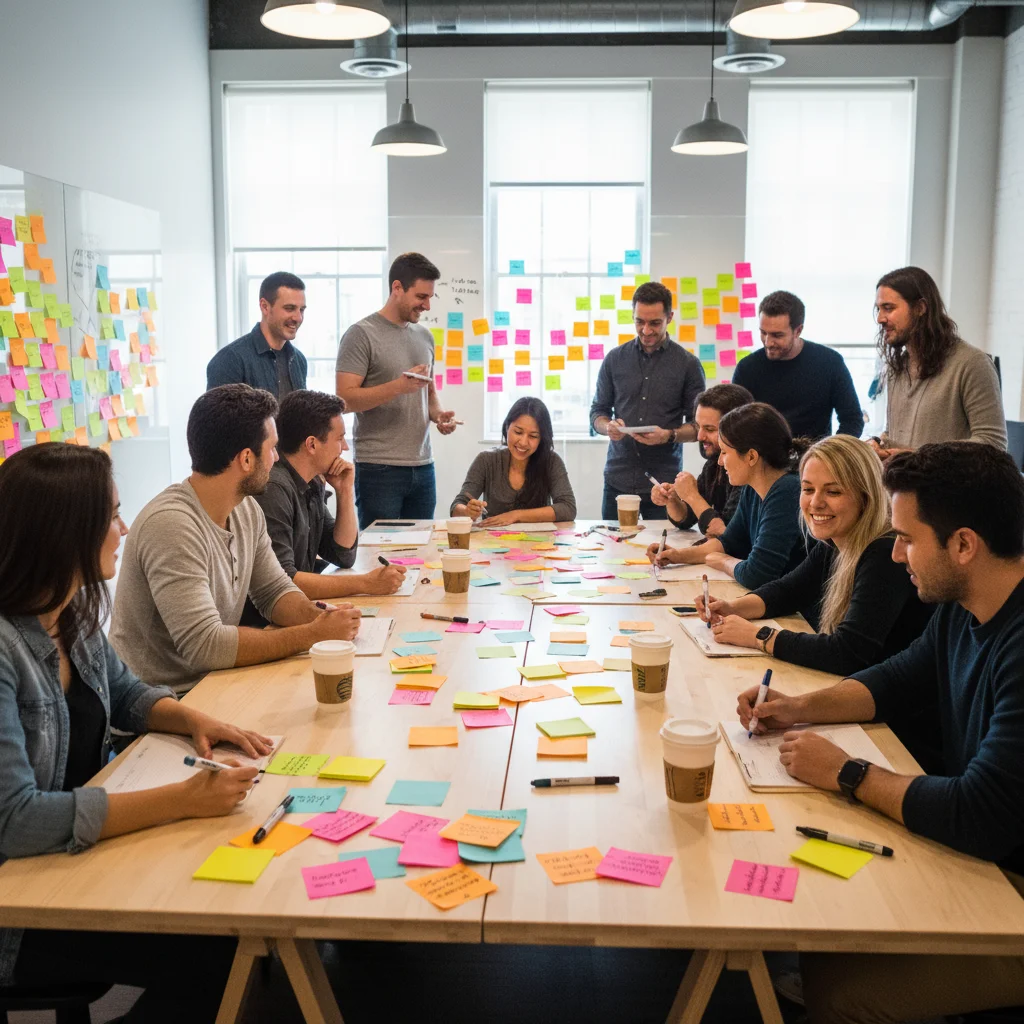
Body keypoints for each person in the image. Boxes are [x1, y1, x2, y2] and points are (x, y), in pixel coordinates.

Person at [735, 442, 1024, 1024]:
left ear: (964, 544)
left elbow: (980, 813)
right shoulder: (963, 606)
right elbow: (892, 680)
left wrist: (845, 771)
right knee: (819, 937)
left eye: (907, 538)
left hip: (1008, 891)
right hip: (987, 856)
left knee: (843, 993)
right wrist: (796, 709)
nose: (895, 555)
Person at [0, 442, 270, 1021]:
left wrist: (195, 717)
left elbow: (125, 692)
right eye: (112, 516)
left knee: (236, 921)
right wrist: (182, 800)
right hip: (24, 911)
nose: (124, 529)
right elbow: (16, 820)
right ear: (63, 533)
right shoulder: (4, 649)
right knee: (220, 944)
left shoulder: (69, 611)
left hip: (79, 861)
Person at [110, 384, 362, 695]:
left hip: (216, 683)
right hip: (166, 704)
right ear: (246, 459)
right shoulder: (172, 525)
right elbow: (206, 645)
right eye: (272, 449)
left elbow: (274, 591)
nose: (276, 459)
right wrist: (311, 634)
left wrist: (322, 619)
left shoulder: (246, 510)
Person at [697, 434, 932, 675]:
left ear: (865, 496)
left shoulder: (884, 553)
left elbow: (846, 652)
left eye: (833, 492)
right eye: (808, 489)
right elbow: (788, 592)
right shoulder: (835, 541)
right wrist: (730, 608)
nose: (815, 503)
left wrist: (759, 636)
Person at [244, 389, 407, 626]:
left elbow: (343, 554)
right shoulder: (274, 488)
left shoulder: (312, 482)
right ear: (311, 444)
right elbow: (284, 581)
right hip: (267, 627)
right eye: (339, 438)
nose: (344, 448)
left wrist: (344, 491)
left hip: (296, 617)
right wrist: (366, 583)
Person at [336, 252, 458, 528]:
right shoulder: (361, 334)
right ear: (397, 288)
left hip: (423, 465)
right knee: (379, 554)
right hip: (379, 468)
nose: (427, 305)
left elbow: (429, 395)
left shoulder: (425, 337)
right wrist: (398, 387)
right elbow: (344, 399)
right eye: (421, 296)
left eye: (430, 297)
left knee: (422, 552)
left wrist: (439, 416)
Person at [647, 402, 806, 589]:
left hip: (799, 615)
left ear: (751, 457)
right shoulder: (753, 488)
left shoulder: (787, 491)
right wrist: (677, 555)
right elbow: (728, 543)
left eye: (724, 452)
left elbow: (756, 575)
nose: (720, 462)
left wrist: (722, 561)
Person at [590, 280, 705, 522]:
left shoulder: (688, 365)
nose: (646, 330)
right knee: (612, 549)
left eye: (655, 323)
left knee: (664, 550)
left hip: (664, 483)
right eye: (639, 322)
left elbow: (699, 428)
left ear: (670, 317)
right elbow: (597, 413)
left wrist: (669, 435)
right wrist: (607, 427)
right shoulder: (614, 359)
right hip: (618, 476)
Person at [870, 266, 1006, 458]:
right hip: (900, 486)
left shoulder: (972, 363)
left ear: (920, 308)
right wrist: (877, 443)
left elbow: (993, 444)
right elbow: (895, 433)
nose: (880, 318)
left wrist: (919, 456)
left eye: (889, 308)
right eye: (878, 309)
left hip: (949, 488)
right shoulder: (897, 368)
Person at [732, 290, 863, 440]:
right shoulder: (747, 368)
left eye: (777, 335)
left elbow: (852, 419)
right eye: (763, 333)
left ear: (798, 330)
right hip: (762, 460)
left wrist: (833, 456)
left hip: (815, 459)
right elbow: (734, 425)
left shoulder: (830, 363)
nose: (768, 342)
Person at [451, 397, 577, 527]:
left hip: (539, 543)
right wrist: (467, 511)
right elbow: (456, 507)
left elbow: (568, 508)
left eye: (533, 436)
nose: (523, 442)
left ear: (542, 438)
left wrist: (516, 515)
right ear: (507, 427)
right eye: (518, 432)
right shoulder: (486, 460)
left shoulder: (551, 461)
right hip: (492, 543)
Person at [649, 383, 753, 537]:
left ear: (738, 428)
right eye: (698, 427)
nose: (699, 437)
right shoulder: (713, 463)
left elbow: (726, 534)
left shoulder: (750, 470)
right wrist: (672, 500)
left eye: (710, 429)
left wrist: (691, 495)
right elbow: (687, 519)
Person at [206, 271, 308, 397]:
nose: (298, 318)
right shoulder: (229, 360)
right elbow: (217, 416)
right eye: (289, 308)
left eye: (302, 310)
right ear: (265, 307)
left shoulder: (299, 360)